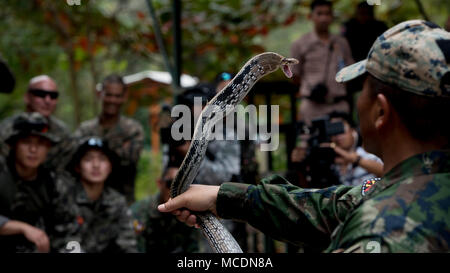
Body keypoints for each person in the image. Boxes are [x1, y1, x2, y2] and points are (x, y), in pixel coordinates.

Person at [158, 20, 450, 253]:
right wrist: (223, 197)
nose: (355, 101)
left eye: (362, 89)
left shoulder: (385, 231)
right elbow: (331, 207)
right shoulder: (415, 182)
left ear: (381, 111)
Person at [49, 137, 137, 253]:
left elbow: (127, 243)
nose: (96, 165)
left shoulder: (117, 202)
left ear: (110, 167)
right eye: (88, 159)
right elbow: (62, 242)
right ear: (77, 167)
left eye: (102, 159)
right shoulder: (64, 197)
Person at [73, 74, 144, 204]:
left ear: (124, 97)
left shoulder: (132, 129)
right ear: (100, 94)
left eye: (117, 96)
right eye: (109, 95)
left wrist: (92, 154)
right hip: (86, 202)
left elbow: (129, 160)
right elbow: (75, 162)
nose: (112, 100)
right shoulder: (85, 129)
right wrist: (117, 150)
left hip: (123, 203)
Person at [0, 112, 61, 252]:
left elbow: (67, 225)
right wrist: (21, 227)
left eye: (40, 144)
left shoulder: (54, 182)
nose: (33, 150)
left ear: (48, 148)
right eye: (26, 142)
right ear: (13, 145)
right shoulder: (2, 172)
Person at [290, 0, 354, 124]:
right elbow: (294, 75)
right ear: (311, 16)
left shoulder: (341, 43)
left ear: (332, 17)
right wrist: (311, 88)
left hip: (338, 104)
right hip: (312, 106)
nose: (324, 18)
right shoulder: (300, 44)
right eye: (319, 14)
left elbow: (351, 72)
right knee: (311, 142)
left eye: (327, 14)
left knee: (343, 142)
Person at [0, 75, 70, 169]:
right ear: (27, 97)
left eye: (53, 96)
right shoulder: (6, 128)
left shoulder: (62, 133)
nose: (47, 100)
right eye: (40, 94)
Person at [130, 164, 200, 253]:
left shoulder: (188, 213)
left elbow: (193, 247)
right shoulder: (140, 211)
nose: (176, 192)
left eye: (182, 187)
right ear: (160, 183)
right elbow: (133, 246)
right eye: (170, 184)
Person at [327, 111, 383, 186]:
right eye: (332, 131)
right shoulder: (333, 163)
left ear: (352, 130)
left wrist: (355, 159)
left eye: (340, 128)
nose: (338, 136)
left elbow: (387, 172)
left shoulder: (369, 151)